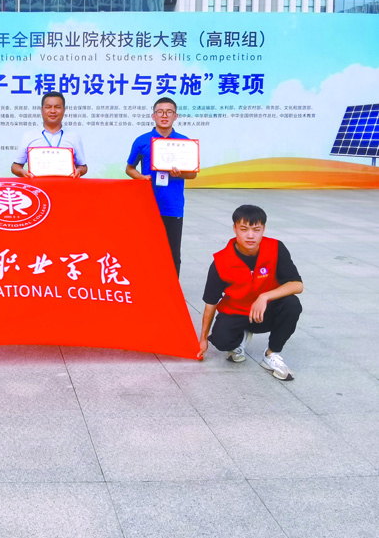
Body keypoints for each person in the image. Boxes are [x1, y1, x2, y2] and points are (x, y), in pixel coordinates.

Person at [197, 205, 303, 381]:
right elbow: (211, 302)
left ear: (263, 229)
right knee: (221, 341)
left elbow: (297, 285)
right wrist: (203, 339)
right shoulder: (221, 261)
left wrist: (265, 296)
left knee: (292, 304)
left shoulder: (276, 248)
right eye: (244, 229)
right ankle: (240, 339)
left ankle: (272, 354)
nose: (250, 235)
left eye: (256, 229)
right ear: (235, 229)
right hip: (236, 311)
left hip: (264, 312)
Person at [126, 97, 197, 276]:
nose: (164, 115)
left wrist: (179, 173)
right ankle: (147, 284)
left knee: (173, 254)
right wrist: (141, 177)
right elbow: (129, 168)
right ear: (153, 116)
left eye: (169, 112)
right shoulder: (142, 141)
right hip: (147, 204)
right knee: (146, 250)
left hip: (173, 206)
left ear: (175, 116)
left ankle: (172, 289)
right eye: (160, 112)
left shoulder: (184, 142)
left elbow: (193, 174)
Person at [11, 91, 87, 178]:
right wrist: (22, 172)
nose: (53, 111)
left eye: (57, 107)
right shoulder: (29, 135)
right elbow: (15, 166)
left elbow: (83, 166)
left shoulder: (74, 136)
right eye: (48, 107)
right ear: (42, 110)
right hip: (37, 185)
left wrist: (79, 171)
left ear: (64, 110)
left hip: (65, 184)